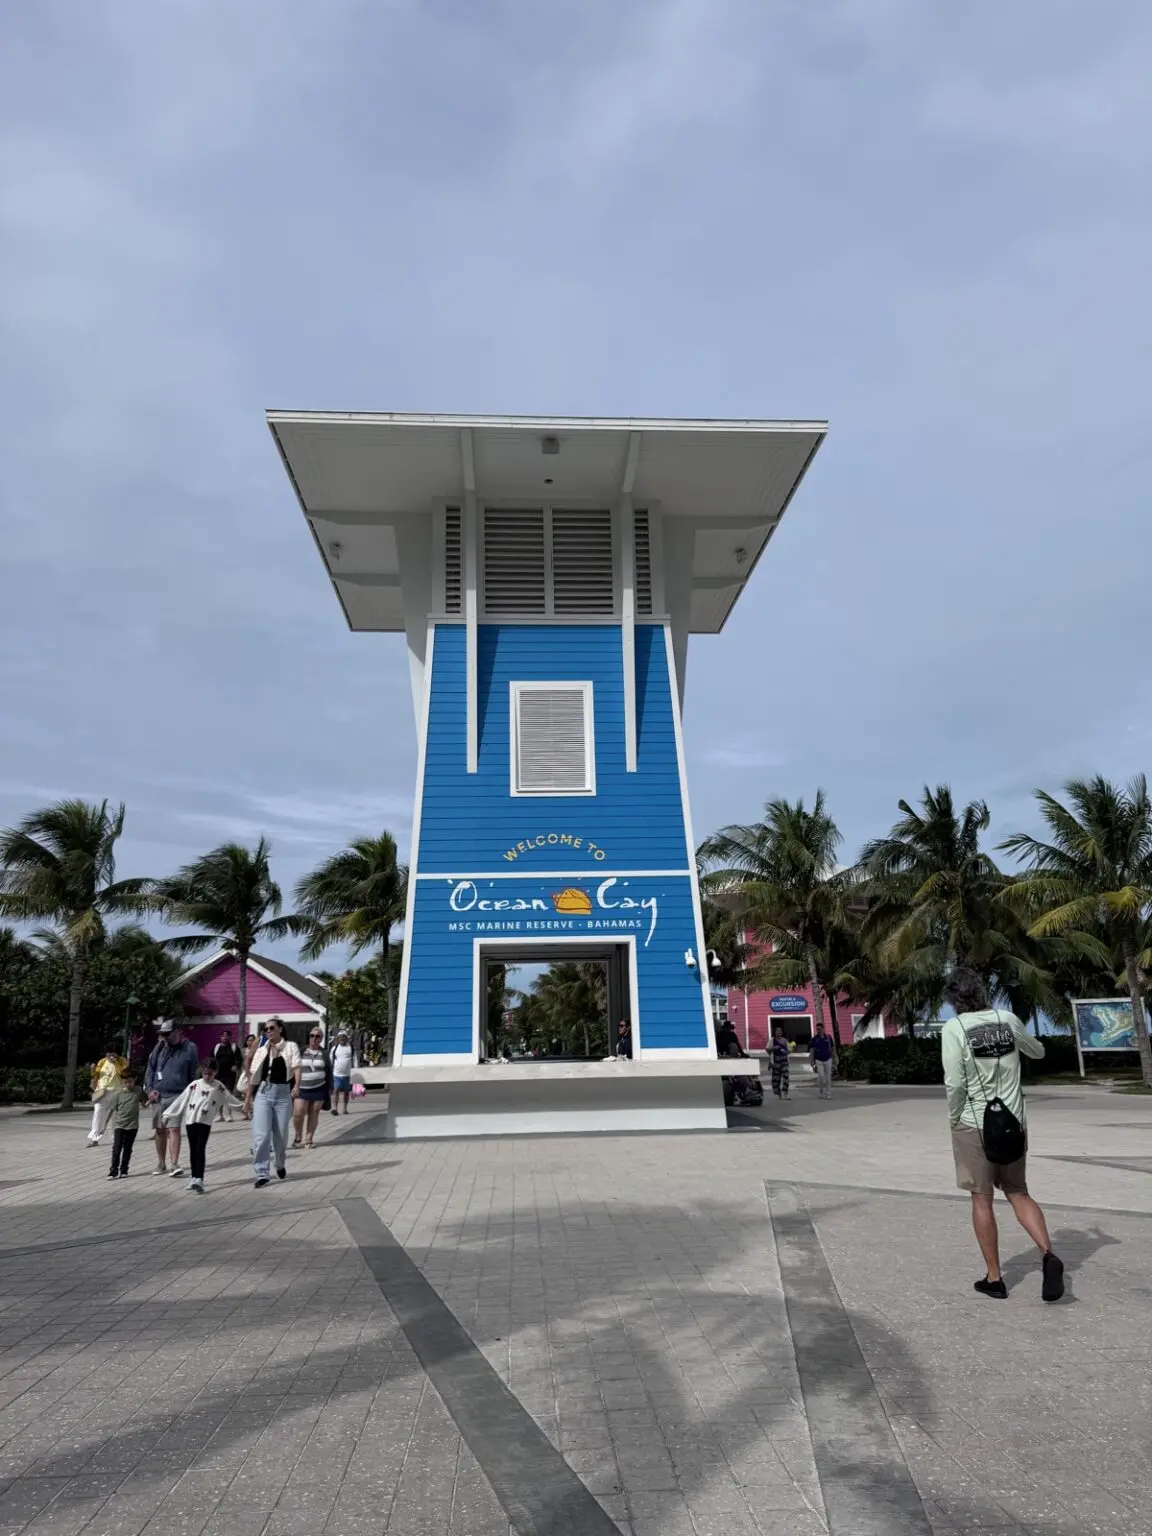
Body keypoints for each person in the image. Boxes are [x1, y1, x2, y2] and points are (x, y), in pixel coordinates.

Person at [941, 969, 1064, 1302]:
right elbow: (1036, 1051)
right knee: (1018, 1192)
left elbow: (955, 1083)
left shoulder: (955, 1028)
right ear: (981, 992)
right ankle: (1049, 1255)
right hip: (1015, 1124)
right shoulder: (1007, 1019)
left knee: (981, 1198)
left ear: (954, 999)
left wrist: (954, 1118)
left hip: (974, 1125)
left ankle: (994, 1278)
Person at [161, 1058, 244, 1193]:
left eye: (210, 1073)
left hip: (205, 1122)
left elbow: (230, 1099)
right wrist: (167, 1115)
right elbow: (181, 1100)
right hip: (191, 1121)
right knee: (193, 1150)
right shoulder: (195, 1084)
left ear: (215, 1072)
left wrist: (244, 1108)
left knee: (200, 1148)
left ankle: (200, 1179)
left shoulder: (218, 1086)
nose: (207, 1076)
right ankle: (193, 1178)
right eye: (205, 1073)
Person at [246, 1018, 301, 1188]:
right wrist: (248, 1099)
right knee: (261, 1136)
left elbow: (297, 1067)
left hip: (283, 1094)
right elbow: (253, 1075)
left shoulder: (290, 1047)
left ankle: (280, 1163)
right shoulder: (262, 1050)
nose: (268, 1031)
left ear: (280, 1030)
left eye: (271, 1028)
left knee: (281, 1136)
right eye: (265, 1029)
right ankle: (262, 1172)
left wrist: (297, 1085)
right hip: (264, 1092)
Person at [144, 1021, 199, 1177]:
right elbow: (150, 1070)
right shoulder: (158, 1049)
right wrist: (149, 1089)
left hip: (177, 1095)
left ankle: (174, 1164)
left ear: (177, 1032)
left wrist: (190, 1093)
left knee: (174, 1128)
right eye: (162, 1034)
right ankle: (161, 1163)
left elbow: (193, 1072)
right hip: (158, 1095)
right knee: (160, 1130)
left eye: (167, 1033)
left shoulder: (189, 1048)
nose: (164, 1037)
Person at [293, 1028, 331, 1147]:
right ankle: (298, 1136)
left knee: (314, 1112)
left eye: (317, 1036)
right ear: (309, 1037)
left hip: (319, 1087)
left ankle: (309, 1138)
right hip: (302, 1087)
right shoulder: (301, 1051)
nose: (314, 1038)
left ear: (321, 1039)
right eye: (312, 1036)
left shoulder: (324, 1053)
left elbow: (329, 1070)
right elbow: (294, 1067)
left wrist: (331, 1087)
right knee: (298, 1112)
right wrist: (294, 1085)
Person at [105, 1068, 143, 1178]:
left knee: (128, 1147)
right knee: (117, 1147)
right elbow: (110, 1110)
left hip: (133, 1125)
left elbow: (144, 1103)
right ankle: (113, 1170)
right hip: (119, 1125)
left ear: (135, 1079)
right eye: (125, 1082)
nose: (128, 1084)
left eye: (130, 1082)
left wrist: (151, 1099)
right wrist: (104, 1125)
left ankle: (124, 1169)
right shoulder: (117, 1094)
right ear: (122, 1082)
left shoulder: (139, 1091)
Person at [87, 1045, 128, 1146]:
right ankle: (95, 1138)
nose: (110, 1055)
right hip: (101, 1090)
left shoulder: (122, 1061)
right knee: (98, 1112)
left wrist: (116, 1063)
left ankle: (116, 1137)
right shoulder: (102, 1062)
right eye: (108, 1053)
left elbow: (125, 1074)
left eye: (113, 1053)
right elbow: (96, 1075)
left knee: (116, 1115)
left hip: (117, 1091)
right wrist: (92, 1070)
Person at [213, 1030, 240, 1120]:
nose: (225, 1037)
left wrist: (236, 1066)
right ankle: (219, 1115)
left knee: (228, 1094)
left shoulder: (234, 1047)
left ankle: (228, 1114)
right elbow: (211, 1059)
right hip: (218, 1075)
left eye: (227, 1035)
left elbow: (239, 1058)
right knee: (218, 1094)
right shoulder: (216, 1047)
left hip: (230, 1075)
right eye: (223, 1035)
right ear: (220, 1037)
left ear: (230, 1037)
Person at [809, 1023, 836, 1099]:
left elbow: (833, 1048)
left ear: (823, 1029)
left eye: (819, 1029)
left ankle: (828, 1093)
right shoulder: (814, 1039)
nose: (818, 1030)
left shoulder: (828, 1037)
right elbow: (812, 1050)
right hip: (818, 1060)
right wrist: (812, 1060)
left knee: (828, 1077)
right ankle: (821, 1092)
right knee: (821, 1076)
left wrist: (835, 1057)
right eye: (817, 1029)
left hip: (828, 1059)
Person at [330, 1029, 354, 1115]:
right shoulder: (334, 1048)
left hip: (347, 1075)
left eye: (344, 1037)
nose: (342, 1038)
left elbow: (354, 1060)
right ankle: (335, 1109)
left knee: (346, 1092)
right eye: (340, 1037)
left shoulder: (350, 1048)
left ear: (346, 1038)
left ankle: (345, 1109)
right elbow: (330, 1060)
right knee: (336, 1091)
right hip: (336, 1074)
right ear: (338, 1038)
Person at [236, 1032, 258, 1118]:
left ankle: (249, 1112)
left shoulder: (257, 1050)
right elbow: (239, 1061)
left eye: (253, 1040)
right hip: (244, 1072)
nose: (251, 1042)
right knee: (240, 1087)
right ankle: (248, 1109)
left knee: (250, 1092)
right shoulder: (243, 1050)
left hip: (253, 1072)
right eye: (249, 1040)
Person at [771, 1026, 791, 1099]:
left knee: (786, 1077)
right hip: (776, 1062)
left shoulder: (785, 1041)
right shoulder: (772, 1041)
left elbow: (789, 1050)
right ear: (775, 1032)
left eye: (780, 1031)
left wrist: (786, 1052)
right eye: (778, 1031)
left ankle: (785, 1092)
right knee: (776, 1079)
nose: (779, 1032)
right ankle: (778, 1093)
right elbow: (768, 1051)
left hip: (784, 1061)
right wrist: (773, 1049)